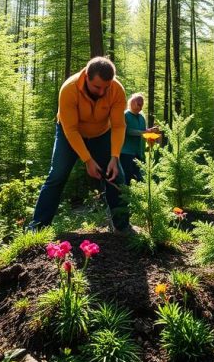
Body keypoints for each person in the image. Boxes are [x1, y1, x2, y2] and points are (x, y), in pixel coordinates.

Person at [27, 56, 132, 232]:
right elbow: (71, 129)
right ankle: (37, 228)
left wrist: (115, 157)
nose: (101, 92)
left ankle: (122, 227)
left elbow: (119, 125)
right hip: (70, 133)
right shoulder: (69, 89)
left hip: (101, 134)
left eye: (105, 87)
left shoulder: (116, 90)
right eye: (97, 87)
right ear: (87, 76)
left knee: (117, 176)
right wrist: (87, 160)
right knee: (57, 174)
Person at [120, 93, 153, 184]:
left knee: (138, 178)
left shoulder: (141, 117)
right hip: (126, 153)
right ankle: (125, 197)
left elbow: (142, 131)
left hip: (139, 153)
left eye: (142, 105)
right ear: (132, 102)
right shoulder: (125, 115)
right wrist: (143, 132)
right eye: (139, 104)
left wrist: (149, 131)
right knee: (127, 178)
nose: (140, 107)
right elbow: (128, 131)